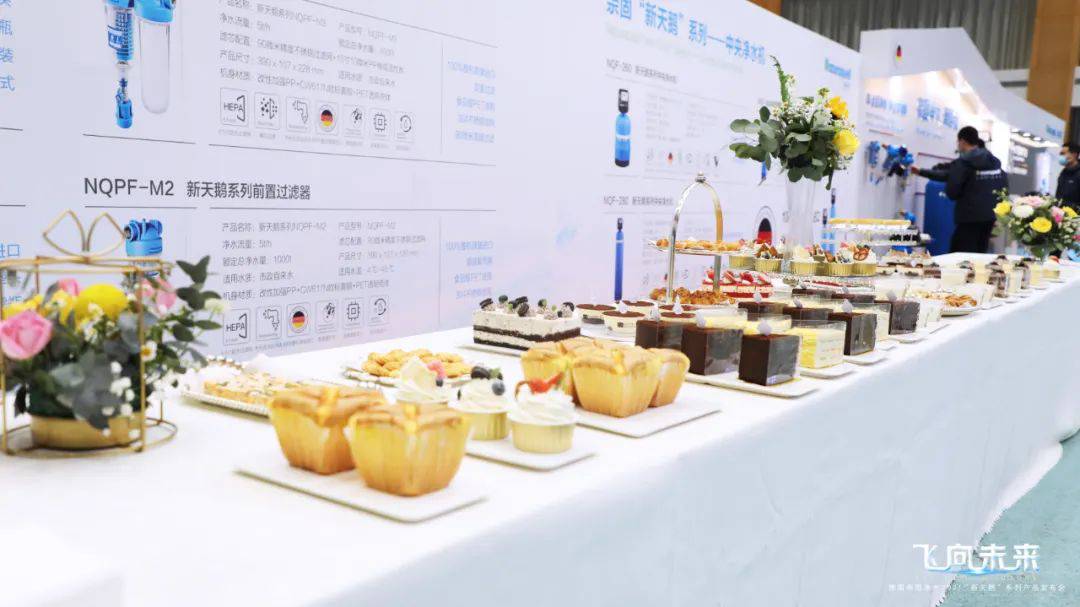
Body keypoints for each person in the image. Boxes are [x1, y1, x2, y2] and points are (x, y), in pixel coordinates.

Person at [911, 126, 1008, 253]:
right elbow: (1003, 187)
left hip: (968, 216)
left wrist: (953, 193)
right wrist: (921, 171)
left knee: (959, 253)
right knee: (980, 252)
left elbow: (952, 187)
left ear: (962, 141)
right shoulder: (993, 161)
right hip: (989, 216)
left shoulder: (964, 162)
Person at [1055, 142, 1080, 212]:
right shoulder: (1063, 173)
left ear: (1074, 154)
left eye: (1063, 153)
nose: (1061, 156)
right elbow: (1058, 196)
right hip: (1062, 214)